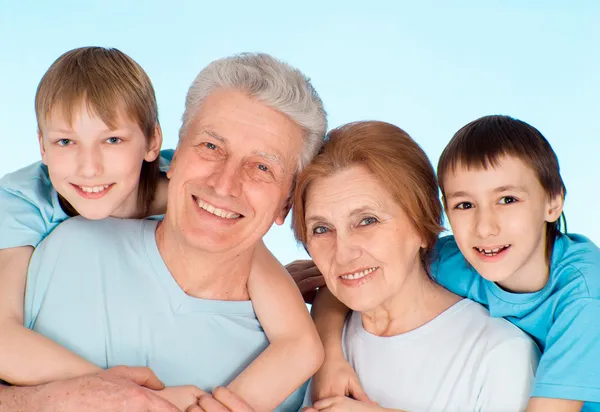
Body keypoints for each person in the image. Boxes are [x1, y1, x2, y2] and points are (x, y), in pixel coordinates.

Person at [0, 49, 326, 411]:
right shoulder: (28, 216)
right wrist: (114, 396)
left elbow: (302, 344)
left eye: (263, 167)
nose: (224, 184)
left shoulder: (299, 376)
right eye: (211, 146)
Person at [300, 115, 600, 412]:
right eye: (321, 229)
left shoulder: (584, 298)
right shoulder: (457, 259)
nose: (485, 227)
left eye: (367, 221)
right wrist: (326, 355)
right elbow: (340, 278)